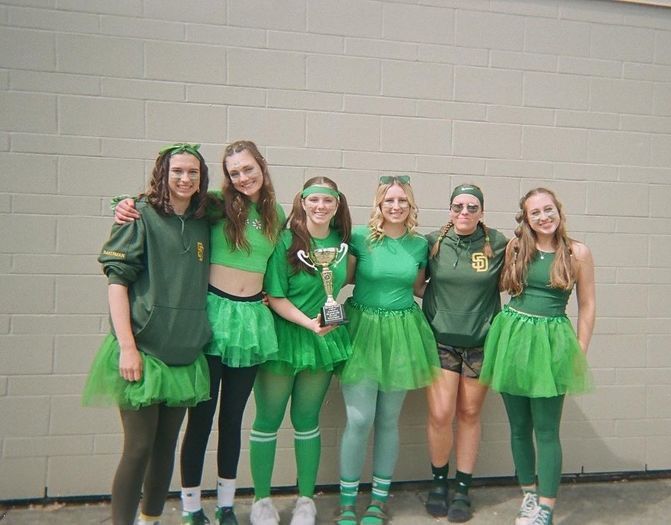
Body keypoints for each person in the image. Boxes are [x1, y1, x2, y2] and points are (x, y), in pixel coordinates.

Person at [114, 140, 284, 525]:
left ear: (261, 165)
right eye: (234, 172)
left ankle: (226, 504)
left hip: (251, 322)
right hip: (212, 318)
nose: (242, 177)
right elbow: (168, 197)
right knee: (201, 419)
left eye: (248, 169)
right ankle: (191, 506)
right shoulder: (214, 204)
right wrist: (127, 203)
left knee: (233, 419)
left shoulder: (275, 215)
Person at [82, 143, 212, 525]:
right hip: (143, 350)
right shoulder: (138, 215)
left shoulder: (208, 218)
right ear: (162, 174)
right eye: (177, 172)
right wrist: (127, 347)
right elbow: (116, 283)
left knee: (164, 448)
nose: (185, 179)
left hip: (185, 353)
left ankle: (150, 519)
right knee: (138, 447)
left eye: (193, 172)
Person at [478, 187, 595, 525]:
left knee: (546, 430)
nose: (543, 217)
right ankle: (528, 495)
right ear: (526, 219)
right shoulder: (517, 247)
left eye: (548, 209)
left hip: (551, 342)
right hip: (512, 337)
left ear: (559, 211)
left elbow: (587, 307)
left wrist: (579, 352)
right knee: (518, 426)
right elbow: (497, 285)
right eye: (535, 212)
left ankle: (546, 506)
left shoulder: (578, 253)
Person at [336, 176, 440, 525]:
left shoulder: (419, 245)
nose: (396, 207)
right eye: (389, 201)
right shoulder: (361, 239)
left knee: (387, 420)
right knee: (359, 418)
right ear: (378, 205)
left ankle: (378, 502)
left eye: (403, 201)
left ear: (411, 207)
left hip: (402, 332)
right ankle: (348, 502)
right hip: (363, 329)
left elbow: (420, 288)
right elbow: (341, 279)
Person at [249, 177, 353, 525]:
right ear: (303, 202)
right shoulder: (284, 241)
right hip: (284, 338)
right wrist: (308, 323)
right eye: (314, 200)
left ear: (337, 205)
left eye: (328, 200)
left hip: (321, 343)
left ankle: (305, 500)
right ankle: (262, 501)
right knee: (267, 420)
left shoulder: (343, 245)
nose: (321, 206)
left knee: (307, 421)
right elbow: (275, 296)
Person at [417, 184, 507, 523]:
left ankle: (463, 487)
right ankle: (439, 483)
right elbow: (417, 285)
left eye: (472, 207)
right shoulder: (432, 242)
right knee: (441, 414)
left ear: (482, 211)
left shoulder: (498, 243)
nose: (464, 213)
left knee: (469, 413)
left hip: (480, 342)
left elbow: (514, 277)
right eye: (458, 206)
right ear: (449, 210)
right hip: (440, 341)